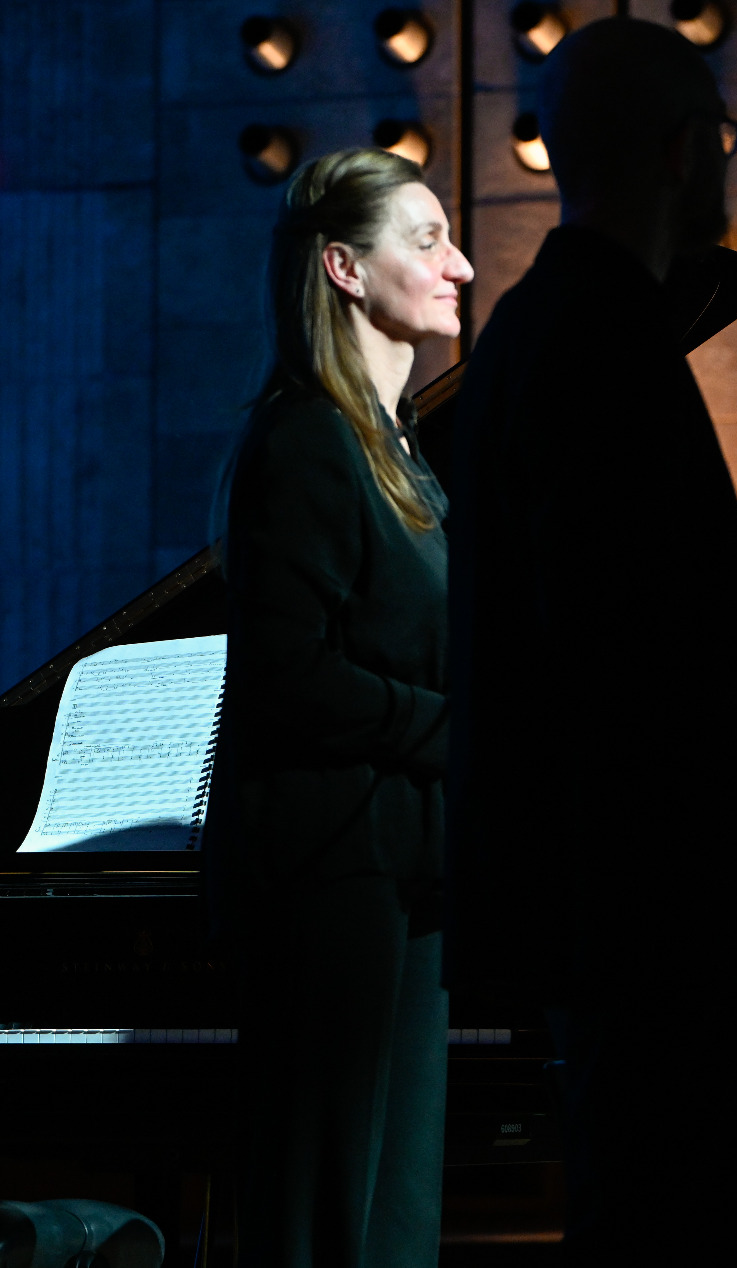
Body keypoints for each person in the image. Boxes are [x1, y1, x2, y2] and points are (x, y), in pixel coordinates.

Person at [443, 17, 737, 1263]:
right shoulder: (604, 336)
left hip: (595, 883)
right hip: (656, 887)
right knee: (663, 1216)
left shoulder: (529, 326)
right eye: (723, 136)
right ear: (682, 148)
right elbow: (642, 637)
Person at [206, 146, 473, 1266]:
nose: (461, 265)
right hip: (330, 872)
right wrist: (462, 733)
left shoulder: (397, 448)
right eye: (428, 240)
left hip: (403, 865)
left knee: (393, 1216)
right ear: (344, 268)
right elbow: (290, 674)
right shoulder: (309, 436)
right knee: (330, 1217)